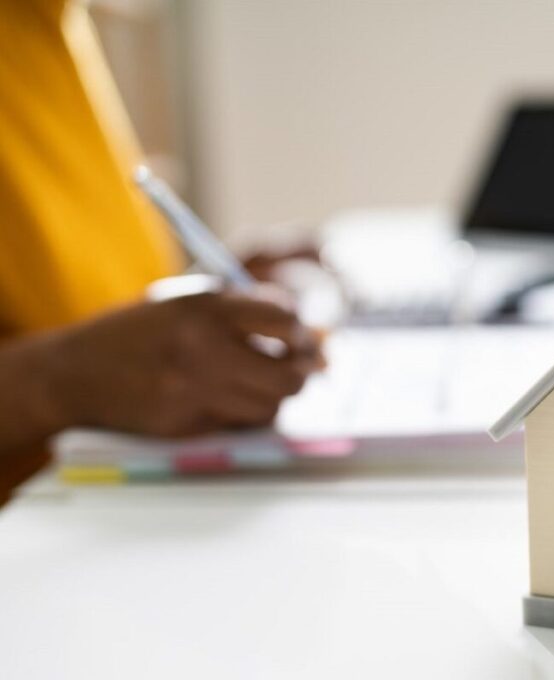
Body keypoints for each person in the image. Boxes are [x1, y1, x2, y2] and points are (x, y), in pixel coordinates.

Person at [0, 1, 322, 502]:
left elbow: (78, 297)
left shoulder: (52, 20)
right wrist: (57, 380)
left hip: (123, 490)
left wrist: (210, 291)